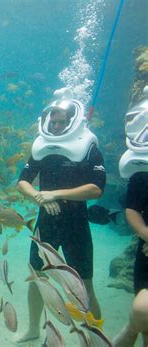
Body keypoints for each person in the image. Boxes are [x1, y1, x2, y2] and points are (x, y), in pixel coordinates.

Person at [16, 88, 106, 342]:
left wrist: (55, 194)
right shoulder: (42, 147)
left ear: (73, 122)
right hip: (46, 221)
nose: (55, 126)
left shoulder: (88, 147)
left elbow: (96, 188)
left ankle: (96, 337)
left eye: (60, 122)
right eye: (52, 121)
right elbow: (23, 181)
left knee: (84, 285)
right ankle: (33, 328)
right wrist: (38, 197)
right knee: (37, 278)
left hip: (76, 224)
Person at [113, 92, 148, 347]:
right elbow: (132, 209)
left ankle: (129, 330)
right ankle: (133, 328)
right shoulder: (141, 172)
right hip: (147, 248)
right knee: (144, 311)